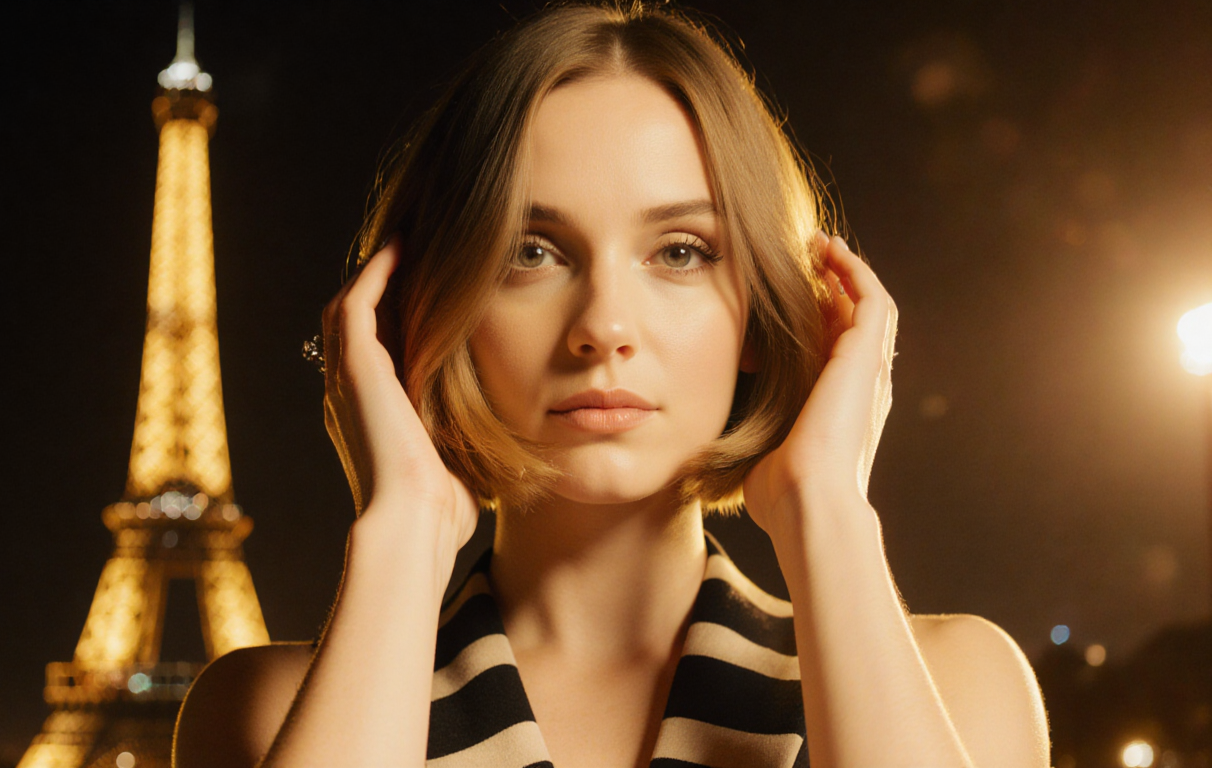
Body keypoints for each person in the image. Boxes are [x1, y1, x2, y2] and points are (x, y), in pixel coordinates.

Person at [174, 3, 1050, 766]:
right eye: (532, 252)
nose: (604, 327)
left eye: (680, 252)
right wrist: (404, 531)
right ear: (430, 307)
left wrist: (828, 513)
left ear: (768, 310)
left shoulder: (960, 686)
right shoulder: (260, 711)